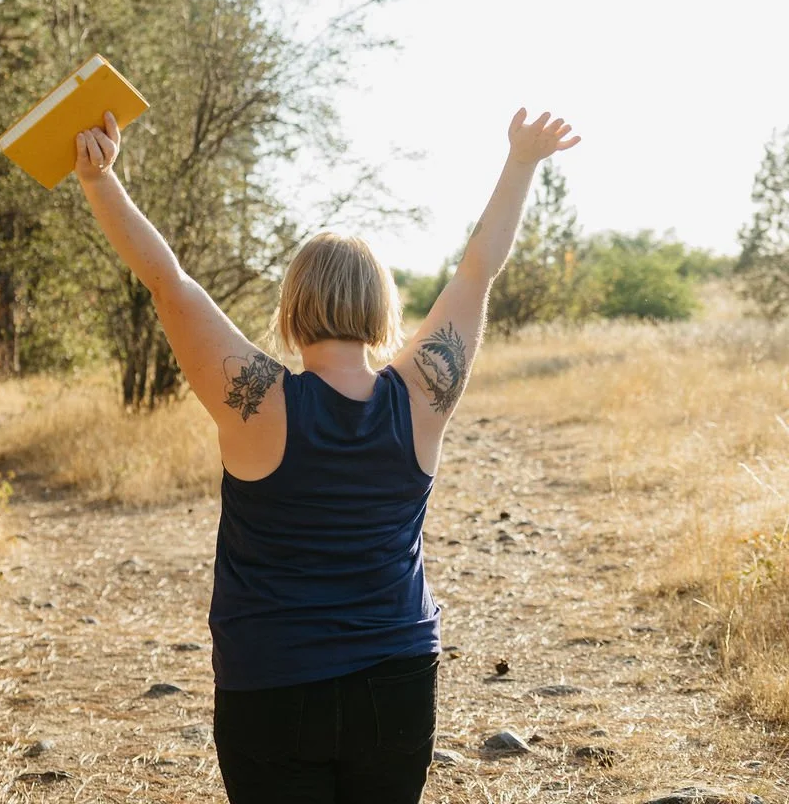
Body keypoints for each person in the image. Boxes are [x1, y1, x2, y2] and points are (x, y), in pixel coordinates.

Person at [75, 105, 581, 804]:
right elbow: (475, 274)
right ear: (381, 310)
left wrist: (101, 181)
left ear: (291, 310)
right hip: (398, 678)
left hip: (271, 683)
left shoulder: (259, 405)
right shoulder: (421, 399)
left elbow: (169, 282)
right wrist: (521, 161)